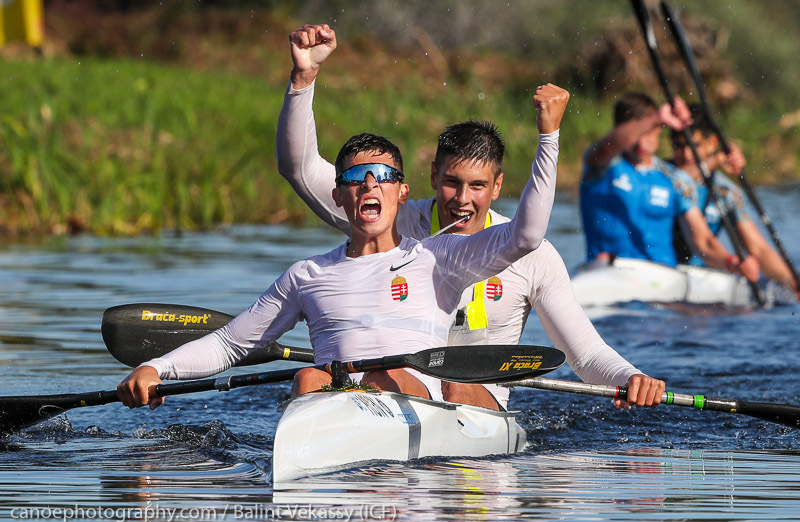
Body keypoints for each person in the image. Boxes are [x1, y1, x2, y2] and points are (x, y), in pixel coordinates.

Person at [117, 70, 577, 409]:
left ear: (402, 192)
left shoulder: (438, 255)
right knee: (307, 379)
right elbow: (229, 344)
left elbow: (527, 234)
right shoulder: (306, 275)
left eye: (383, 176)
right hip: (333, 404)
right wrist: (156, 368)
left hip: (417, 400)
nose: (370, 185)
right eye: (357, 178)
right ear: (339, 196)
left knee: (390, 376)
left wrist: (549, 137)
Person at [275, 23, 665, 411]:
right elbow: (300, 170)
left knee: (454, 386)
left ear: (497, 187)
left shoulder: (533, 255)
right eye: (451, 183)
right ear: (433, 177)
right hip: (385, 391)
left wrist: (630, 377)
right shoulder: (391, 223)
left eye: (477, 186)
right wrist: (303, 79)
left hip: (476, 406)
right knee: (311, 378)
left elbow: (585, 352)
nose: (462, 200)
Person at [580, 92, 759, 283]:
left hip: (663, 279)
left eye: (649, 132)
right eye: (636, 132)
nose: (641, 142)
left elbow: (703, 241)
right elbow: (606, 147)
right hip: (609, 274)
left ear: (659, 130)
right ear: (619, 132)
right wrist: (655, 119)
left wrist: (732, 262)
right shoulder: (600, 167)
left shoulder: (675, 179)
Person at [671, 106, 800, 299]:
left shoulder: (728, 192)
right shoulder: (661, 175)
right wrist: (716, 161)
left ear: (712, 143)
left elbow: (758, 249)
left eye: (694, 145)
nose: (687, 154)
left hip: (701, 275)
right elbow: (678, 182)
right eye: (679, 146)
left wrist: (793, 285)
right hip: (661, 268)